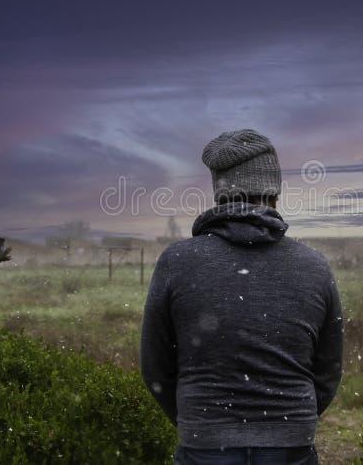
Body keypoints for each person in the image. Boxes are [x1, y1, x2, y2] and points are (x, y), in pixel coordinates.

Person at [140, 129, 344, 464]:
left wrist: (202, 423)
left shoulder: (177, 262)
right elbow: (328, 369)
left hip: (204, 446)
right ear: (274, 193)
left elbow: (155, 367)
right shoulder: (314, 265)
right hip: (290, 446)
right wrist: (288, 424)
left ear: (218, 191)